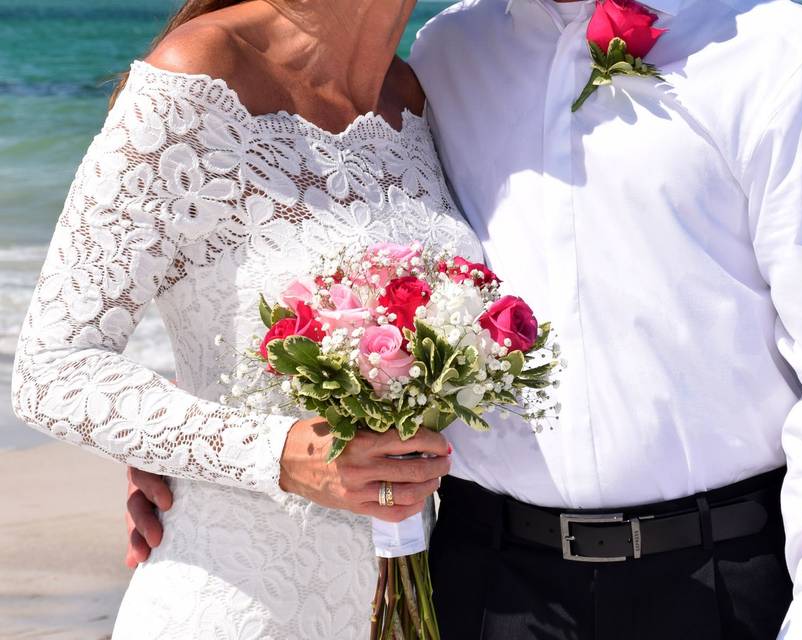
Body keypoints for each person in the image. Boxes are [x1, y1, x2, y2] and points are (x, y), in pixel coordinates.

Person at [126, 0, 802, 638]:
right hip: (481, 580)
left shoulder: (790, 64)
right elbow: (340, 257)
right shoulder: (445, 55)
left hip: (718, 583)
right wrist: (210, 429)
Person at [11, 0, 473, 637]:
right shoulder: (197, 76)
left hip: (411, 601)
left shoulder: (414, 93)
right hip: (236, 599)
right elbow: (51, 371)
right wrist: (275, 453)